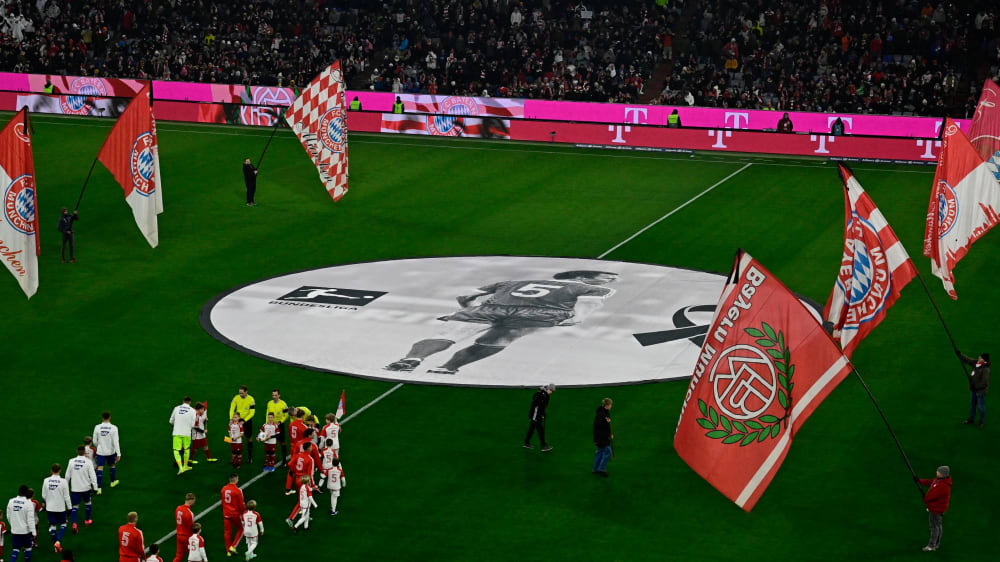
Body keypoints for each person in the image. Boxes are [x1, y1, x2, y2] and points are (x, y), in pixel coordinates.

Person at [384, 270, 618, 375]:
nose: (609, 279)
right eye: (606, 276)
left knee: (451, 333)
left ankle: (412, 359)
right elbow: (590, 302)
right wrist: (578, 318)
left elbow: (465, 297)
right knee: (500, 338)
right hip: (542, 314)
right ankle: (447, 368)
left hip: (491, 308)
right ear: (583, 276)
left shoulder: (511, 281)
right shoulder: (588, 287)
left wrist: (469, 311)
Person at [917, 466, 952, 551]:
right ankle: (936, 544)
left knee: (934, 527)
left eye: (938, 471)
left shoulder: (944, 486)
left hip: (937, 509)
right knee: (938, 526)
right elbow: (930, 482)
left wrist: (925, 499)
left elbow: (932, 496)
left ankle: (931, 546)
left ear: (943, 474)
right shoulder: (939, 480)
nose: (936, 472)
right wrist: (919, 480)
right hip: (935, 508)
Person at [65, 445, 98, 531]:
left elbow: (67, 475)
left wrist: (65, 487)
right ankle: (87, 520)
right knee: (88, 503)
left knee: (75, 506)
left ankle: (74, 523)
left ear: (77, 451)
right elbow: (93, 475)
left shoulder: (71, 461)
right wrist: (95, 487)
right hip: (86, 488)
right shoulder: (88, 462)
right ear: (84, 452)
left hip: (75, 488)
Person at [42, 463, 72, 553]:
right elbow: (67, 496)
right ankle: (57, 542)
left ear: (51, 470)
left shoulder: (46, 480)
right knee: (63, 524)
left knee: (53, 526)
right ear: (60, 471)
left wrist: (47, 501)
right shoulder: (63, 481)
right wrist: (69, 508)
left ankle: (56, 545)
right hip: (60, 508)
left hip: (50, 507)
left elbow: (43, 495)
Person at [957, 350, 989, 427]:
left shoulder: (986, 369)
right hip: (973, 389)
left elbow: (984, 383)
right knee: (973, 405)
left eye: (980, 357)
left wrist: (976, 387)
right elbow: (967, 360)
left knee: (981, 407)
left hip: (980, 391)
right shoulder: (976, 363)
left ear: (983, 360)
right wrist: (959, 354)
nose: (979, 357)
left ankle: (981, 422)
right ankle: (971, 419)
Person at [92, 410, 122, 493]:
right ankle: (112, 482)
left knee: (100, 468)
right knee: (112, 465)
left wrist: (99, 446)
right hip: (111, 452)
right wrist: (118, 453)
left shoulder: (97, 427)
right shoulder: (114, 428)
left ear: (102, 417)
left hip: (100, 451)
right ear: (109, 417)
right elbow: (116, 441)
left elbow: (94, 440)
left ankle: (99, 488)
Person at [6, 485, 37, 562]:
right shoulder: (28, 503)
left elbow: (8, 516)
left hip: (15, 530)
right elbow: (30, 520)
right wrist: (34, 532)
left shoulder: (11, 501)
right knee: (28, 548)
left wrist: (13, 525)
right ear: (26, 493)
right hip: (26, 531)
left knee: (15, 549)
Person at [229, 386, 256, 464]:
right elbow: (232, 408)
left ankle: (249, 457)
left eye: (242, 393)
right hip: (236, 420)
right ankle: (234, 457)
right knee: (233, 438)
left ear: (246, 392)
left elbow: (252, 413)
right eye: (239, 392)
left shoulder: (251, 399)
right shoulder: (236, 398)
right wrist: (231, 419)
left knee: (249, 438)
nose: (240, 394)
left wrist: (244, 420)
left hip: (247, 420)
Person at [170, 397, 197, 474]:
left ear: (183, 401)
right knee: (187, 449)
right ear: (190, 402)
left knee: (176, 450)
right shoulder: (192, 411)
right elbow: (192, 425)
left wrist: (176, 425)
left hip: (177, 432)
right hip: (187, 433)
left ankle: (180, 468)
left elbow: (171, 421)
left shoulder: (176, 408)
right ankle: (185, 466)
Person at [524, 384, 555, 451]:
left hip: (538, 415)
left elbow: (543, 406)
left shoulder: (547, 395)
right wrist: (538, 415)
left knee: (532, 429)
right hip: (535, 415)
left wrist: (543, 413)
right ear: (548, 389)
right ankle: (543, 445)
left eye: (553, 391)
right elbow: (535, 404)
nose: (551, 392)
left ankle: (526, 442)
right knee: (540, 430)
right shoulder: (539, 394)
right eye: (551, 391)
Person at [221, 474, 245, 556]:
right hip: (235, 514)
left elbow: (223, 501)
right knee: (241, 529)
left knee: (227, 532)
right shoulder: (238, 490)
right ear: (236, 480)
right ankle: (233, 546)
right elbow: (241, 504)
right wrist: (243, 512)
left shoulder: (223, 489)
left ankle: (228, 551)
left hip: (226, 514)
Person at [265, 389, 290, 465]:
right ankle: (269, 460)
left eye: (276, 395)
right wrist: (267, 423)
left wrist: (280, 422)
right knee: (270, 442)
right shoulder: (269, 403)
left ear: (279, 395)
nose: (274, 397)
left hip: (279, 426)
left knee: (282, 442)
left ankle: (284, 460)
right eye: (273, 395)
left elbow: (286, 414)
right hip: (271, 426)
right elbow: (267, 414)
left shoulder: (283, 404)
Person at [592, 398, 614, 477]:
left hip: (599, 437)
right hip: (601, 438)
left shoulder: (605, 412)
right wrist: (606, 422)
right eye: (611, 405)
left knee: (600, 452)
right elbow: (599, 427)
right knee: (608, 452)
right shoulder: (601, 415)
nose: (611, 406)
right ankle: (601, 468)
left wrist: (609, 433)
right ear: (607, 405)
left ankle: (595, 469)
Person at [322, 447, 346, 516]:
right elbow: (343, 479)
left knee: (332, 496)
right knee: (334, 498)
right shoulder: (339, 470)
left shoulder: (329, 469)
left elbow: (323, 477)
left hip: (330, 485)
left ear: (332, 463)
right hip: (336, 486)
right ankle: (333, 511)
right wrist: (344, 485)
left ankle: (332, 508)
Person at [174, 493, 196, 562]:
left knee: (179, 556)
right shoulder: (189, 513)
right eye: (194, 501)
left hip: (179, 536)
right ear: (191, 501)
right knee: (193, 557)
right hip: (187, 537)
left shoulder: (178, 508)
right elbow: (191, 528)